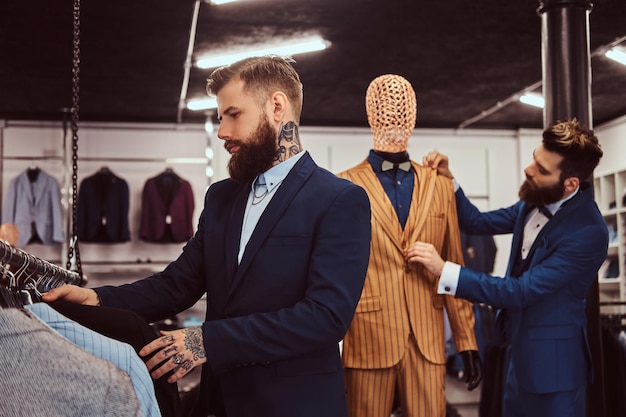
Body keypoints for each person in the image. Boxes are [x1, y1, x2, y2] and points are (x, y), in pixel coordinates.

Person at [43, 55, 372, 417]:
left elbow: (325, 318)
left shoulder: (339, 199)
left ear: (276, 106)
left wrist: (207, 341)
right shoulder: (222, 196)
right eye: (220, 119)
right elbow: (177, 284)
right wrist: (96, 300)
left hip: (295, 403)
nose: (222, 132)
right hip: (218, 403)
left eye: (233, 114)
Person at [410, 118, 608, 417]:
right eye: (534, 159)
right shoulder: (532, 202)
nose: (529, 170)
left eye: (542, 169)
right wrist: (450, 181)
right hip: (519, 358)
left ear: (570, 184)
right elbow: (478, 222)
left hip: (555, 373)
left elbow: (521, 291)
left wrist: (445, 270)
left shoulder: (588, 232)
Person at [337, 74, 481, 417]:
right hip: (367, 338)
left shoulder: (440, 185)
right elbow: (335, 273)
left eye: (402, 108)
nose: (394, 115)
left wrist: (466, 340)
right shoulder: (343, 187)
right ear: (371, 114)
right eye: (386, 107)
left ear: (413, 115)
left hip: (427, 342)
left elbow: (454, 265)